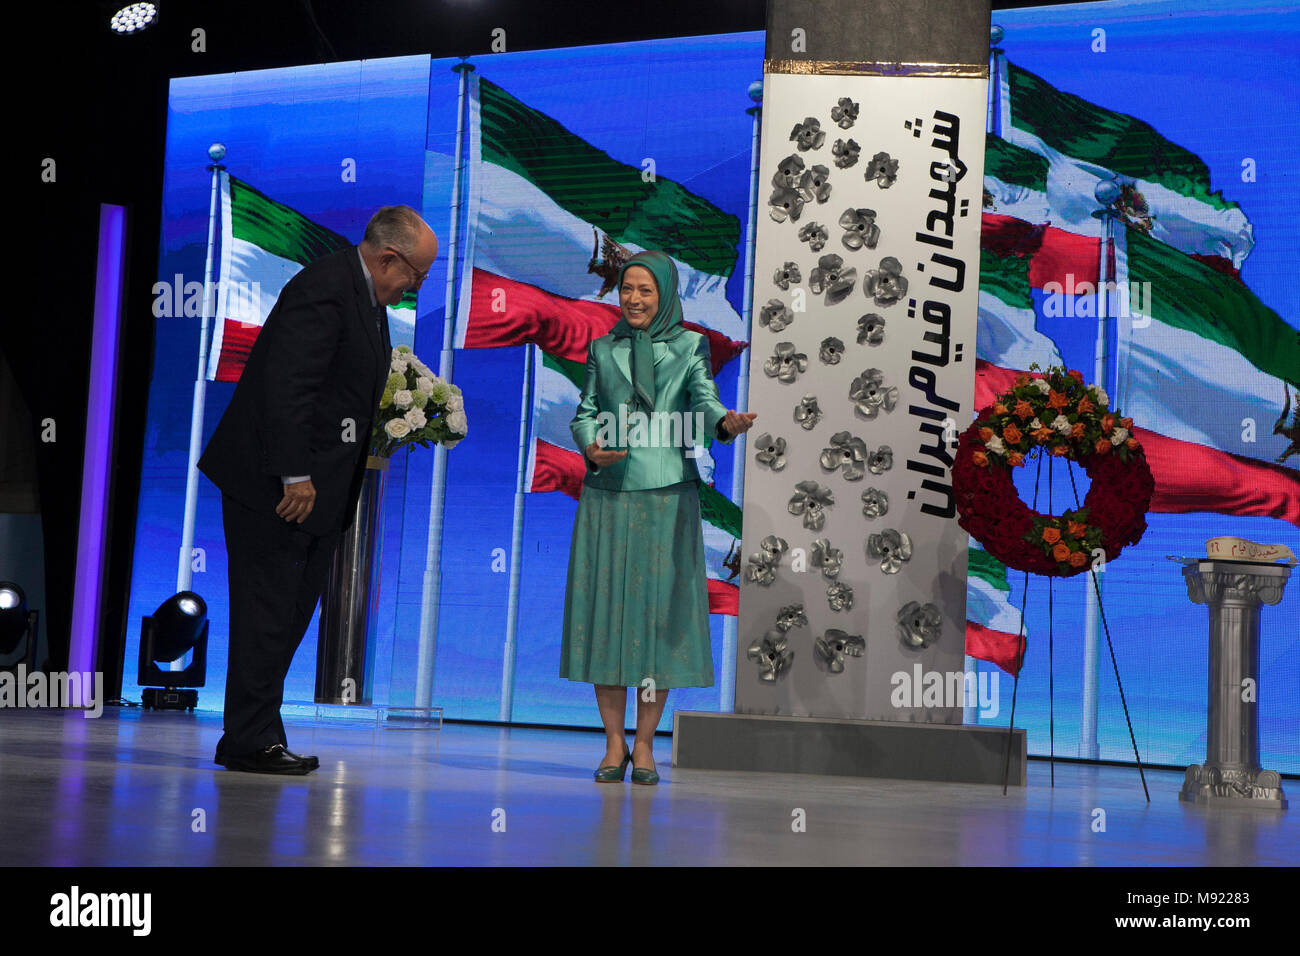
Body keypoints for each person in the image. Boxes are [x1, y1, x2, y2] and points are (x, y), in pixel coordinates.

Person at [197, 205, 437, 774]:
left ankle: (256, 734)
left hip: (318, 494)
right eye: (416, 275)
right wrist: (294, 474)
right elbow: (288, 386)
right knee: (266, 615)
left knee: (283, 619)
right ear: (387, 258)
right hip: (275, 488)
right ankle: (248, 741)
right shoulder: (325, 290)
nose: (417, 286)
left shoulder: (370, 302)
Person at [562, 250, 756, 785]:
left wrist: (726, 424)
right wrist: (590, 445)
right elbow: (584, 411)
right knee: (608, 618)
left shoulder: (690, 346)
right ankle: (613, 744)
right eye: (627, 289)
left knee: (656, 622)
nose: (634, 299)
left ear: (666, 294)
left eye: (646, 290)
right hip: (608, 492)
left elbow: (705, 400)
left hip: (668, 495)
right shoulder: (602, 349)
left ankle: (645, 745)